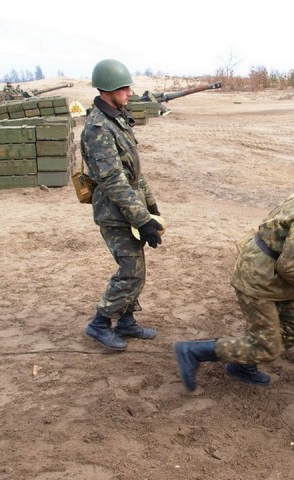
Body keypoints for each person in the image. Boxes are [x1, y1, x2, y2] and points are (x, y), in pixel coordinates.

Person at [174, 151, 294, 391]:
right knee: (268, 347)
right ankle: (194, 352)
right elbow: (290, 266)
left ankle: (242, 364)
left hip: (270, 276)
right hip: (259, 280)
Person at [80, 59, 163, 351]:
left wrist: (150, 208)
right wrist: (142, 219)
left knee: (134, 267)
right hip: (114, 213)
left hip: (129, 210)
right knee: (131, 271)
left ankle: (126, 322)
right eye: (124, 88)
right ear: (109, 90)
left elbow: (134, 172)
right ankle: (100, 324)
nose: (129, 92)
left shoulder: (117, 118)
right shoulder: (98, 128)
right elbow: (114, 181)